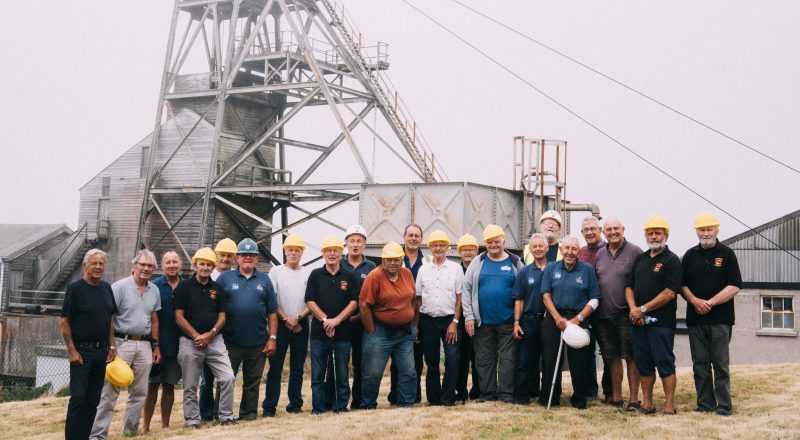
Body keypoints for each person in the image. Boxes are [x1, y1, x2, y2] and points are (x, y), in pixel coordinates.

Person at [91, 249, 161, 439]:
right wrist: (111, 346)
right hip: (122, 343)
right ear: (134, 265)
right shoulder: (119, 287)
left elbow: (154, 320)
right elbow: (109, 318)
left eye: (150, 266)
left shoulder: (154, 290)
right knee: (109, 392)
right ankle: (98, 434)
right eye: (143, 265)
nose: (146, 269)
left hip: (144, 345)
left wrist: (156, 346)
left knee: (139, 393)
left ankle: (130, 432)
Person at [681, 211, 742, 417]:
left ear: (717, 230)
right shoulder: (689, 255)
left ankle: (724, 406)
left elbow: (735, 286)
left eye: (709, 229)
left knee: (720, 364)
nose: (705, 233)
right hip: (695, 319)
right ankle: (705, 404)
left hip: (721, 319)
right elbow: (682, 285)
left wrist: (710, 303)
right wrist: (695, 301)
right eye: (701, 229)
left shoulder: (727, 254)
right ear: (697, 232)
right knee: (700, 364)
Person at [625, 215, 682, 415]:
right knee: (644, 364)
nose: (654, 236)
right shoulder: (640, 259)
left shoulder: (672, 260)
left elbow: (669, 293)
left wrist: (643, 309)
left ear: (666, 235)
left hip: (661, 324)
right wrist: (634, 309)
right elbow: (629, 287)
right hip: (638, 324)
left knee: (665, 363)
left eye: (658, 233)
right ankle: (647, 404)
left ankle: (669, 405)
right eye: (650, 233)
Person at [216, 238, 278, 420]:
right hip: (230, 340)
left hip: (258, 341)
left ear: (257, 258)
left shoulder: (265, 280)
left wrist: (272, 338)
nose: (248, 258)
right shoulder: (225, 278)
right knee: (226, 380)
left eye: (252, 255)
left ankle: (248, 414)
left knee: (253, 381)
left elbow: (272, 313)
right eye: (244, 255)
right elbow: (216, 307)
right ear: (238, 258)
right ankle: (221, 413)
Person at [174, 248, 237, 428]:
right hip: (189, 341)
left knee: (227, 377)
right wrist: (196, 336)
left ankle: (225, 415)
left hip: (214, 341)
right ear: (195, 265)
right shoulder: (184, 287)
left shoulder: (217, 288)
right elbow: (179, 316)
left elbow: (222, 316)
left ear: (212, 267)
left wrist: (211, 334)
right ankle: (192, 419)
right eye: (202, 264)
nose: (205, 268)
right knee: (190, 383)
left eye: (209, 265)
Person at [463, 225, 524, 403]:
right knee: (484, 360)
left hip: (508, 321)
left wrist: (518, 320)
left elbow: (523, 291)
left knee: (508, 360)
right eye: (489, 242)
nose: (493, 245)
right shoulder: (478, 261)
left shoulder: (515, 262)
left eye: (497, 241)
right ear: (485, 244)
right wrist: (469, 316)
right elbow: (466, 289)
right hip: (483, 322)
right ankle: (488, 394)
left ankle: (506, 394)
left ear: (503, 241)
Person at [60, 249, 117, 440]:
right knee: (78, 399)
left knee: (93, 400)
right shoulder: (75, 289)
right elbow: (64, 321)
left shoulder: (106, 288)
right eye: (94, 263)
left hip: (101, 351)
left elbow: (109, 318)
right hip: (82, 352)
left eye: (101, 263)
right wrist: (72, 350)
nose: (98, 267)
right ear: (85, 265)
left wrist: (112, 345)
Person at [540, 236, 601, 409]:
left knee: (579, 361)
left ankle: (580, 398)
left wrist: (577, 319)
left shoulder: (587, 270)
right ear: (561, 250)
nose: (569, 252)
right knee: (550, 360)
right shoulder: (551, 268)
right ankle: (550, 397)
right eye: (566, 248)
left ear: (579, 252)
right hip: (554, 318)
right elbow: (546, 295)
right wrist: (558, 318)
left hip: (578, 318)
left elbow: (595, 298)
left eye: (574, 249)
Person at [359, 242, 418, 409]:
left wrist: (413, 324)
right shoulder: (374, 276)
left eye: (396, 259)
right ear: (382, 261)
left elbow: (413, 299)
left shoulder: (407, 274)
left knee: (409, 371)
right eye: (389, 260)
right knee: (373, 373)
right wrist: (371, 329)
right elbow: (363, 304)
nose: (393, 263)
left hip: (404, 333)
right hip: (380, 333)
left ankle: (406, 404)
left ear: (401, 260)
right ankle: (368, 405)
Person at [305, 236, 360, 414]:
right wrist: (325, 320)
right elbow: (310, 301)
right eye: (328, 250)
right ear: (323, 254)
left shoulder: (349, 276)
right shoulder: (315, 274)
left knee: (342, 374)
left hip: (342, 334)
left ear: (340, 253)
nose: (332, 254)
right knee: (318, 375)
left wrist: (337, 320)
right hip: (319, 335)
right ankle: (318, 408)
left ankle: (341, 406)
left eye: (335, 250)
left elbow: (354, 303)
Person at [594, 218, 643, 411]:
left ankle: (633, 399)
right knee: (611, 356)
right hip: (604, 315)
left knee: (630, 356)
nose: (612, 232)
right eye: (608, 229)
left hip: (626, 313)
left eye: (616, 228)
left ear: (623, 229)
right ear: (603, 232)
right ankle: (616, 397)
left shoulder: (635, 252)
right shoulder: (599, 254)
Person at [263, 234, 312, 417]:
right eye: (290, 250)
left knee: (297, 368)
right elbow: (273, 300)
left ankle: (295, 404)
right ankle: (269, 407)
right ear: (285, 251)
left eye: (297, 250)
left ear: (302, 253)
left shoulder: (308, 272)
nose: (293, 253)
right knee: (275, 369)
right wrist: (287, 320)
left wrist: (298, 318)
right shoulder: (275, 271)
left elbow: (312, 300)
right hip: (280, 325)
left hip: (301, 324)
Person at [416, 230, 463, 406]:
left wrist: (455, 322)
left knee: (452, 358)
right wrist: (419, 323)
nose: (438, 248)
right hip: (428, 320)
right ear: (430, 249)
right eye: (434, 245)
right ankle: (434, 399)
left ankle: (448, 397)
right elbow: (418, 297)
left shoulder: (456, 268)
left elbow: (460, 297)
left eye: (441, 245)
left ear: (447, 247)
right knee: (431, 360)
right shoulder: (423, 269)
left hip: (450, 320)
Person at [143, 251, 185, 432]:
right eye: (167, 262)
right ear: (162, 265)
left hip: (178, 345)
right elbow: (150, 318)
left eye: (175, 262)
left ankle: (165, 425)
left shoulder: (187, 286)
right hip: (157, 346)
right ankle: (145, 426)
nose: (171, 265)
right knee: (152, 386)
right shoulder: (154, 286)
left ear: (181, 264)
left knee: (169, 386)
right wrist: (154, 345)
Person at [388, 224, 427, 404]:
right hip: (395, 317)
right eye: (410, 235)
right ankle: (395, 394)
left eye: (417, 236)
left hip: (418, 318)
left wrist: (417, 325)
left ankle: (414, 395)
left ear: (421, 239)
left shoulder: (426, 262)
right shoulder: (394, 258)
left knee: (416, 360)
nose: (413, 238)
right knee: (397, 360)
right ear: (404, 237)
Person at [339, 224, 377, 409]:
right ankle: (338, 401)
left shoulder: (371, 267)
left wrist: (362, 317)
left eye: (359, 241)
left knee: (362, 364)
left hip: (363, 323)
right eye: (352, 241)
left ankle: (360, 401)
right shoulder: (337, 264)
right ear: (346, 243)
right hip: (341, 323)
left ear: (364, 244)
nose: (355, 244)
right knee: (340, 364)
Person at [200, 237, 237, 420]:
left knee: (226, 376)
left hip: (229, 333)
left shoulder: (234, 278)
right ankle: (206, 414)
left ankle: (221, 412)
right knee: (206, 378)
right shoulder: (208, 276)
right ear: (216, 255)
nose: (225, 259)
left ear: (234, 258)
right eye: (223, 255)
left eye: (230, 256)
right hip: (209, 334)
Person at [512, 233, 548, 404]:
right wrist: (517, 322)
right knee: (525, 360)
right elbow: (519, 299)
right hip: (529, 320)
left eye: (541, 246)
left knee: (548, 360)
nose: (538, 249)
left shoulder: (555, 269)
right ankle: (523, 396)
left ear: (547, 248)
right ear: (530, 250)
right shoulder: (525, 272)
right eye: (535, 246)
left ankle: (547, 396)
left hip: (550, 321)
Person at [578, 216, 610, 401]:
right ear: (582, 233)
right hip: (586, 312)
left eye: (593, 229)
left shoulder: (609, 249)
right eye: (586, 230)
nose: (589, 232)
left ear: (600, 230)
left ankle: (609, 391)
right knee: (586, 352)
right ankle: (590, 390)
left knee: (608, 353)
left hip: (606, 310)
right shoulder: (580, 252)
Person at [455, 233, 480, 403]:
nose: (468, 253)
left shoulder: (482, 267)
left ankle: (478, 390)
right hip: (460, 319)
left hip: (478, 319)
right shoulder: (456, 270)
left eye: (471, 249)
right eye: (465, 250)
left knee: (478, 356)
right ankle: (461, 391)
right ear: (459, 252)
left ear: (477, 251)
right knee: (461, 357)